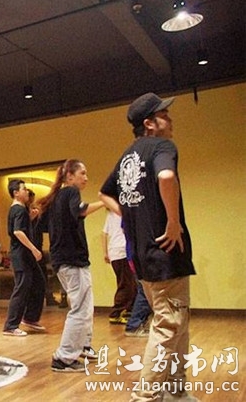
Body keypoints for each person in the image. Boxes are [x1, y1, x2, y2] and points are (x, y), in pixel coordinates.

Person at [100, 92, 196, 401]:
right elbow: (166, 176)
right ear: (149, 123)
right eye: (164, 115)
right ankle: (146, 396)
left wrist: (131, 214)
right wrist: (173, 221)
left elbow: (105, 193)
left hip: (142, 256)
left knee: (177, 321)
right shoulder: (162, 147)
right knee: (169, 325)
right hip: (165, 252)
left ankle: (176, 389)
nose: (171, 120)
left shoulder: (128, 156)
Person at [38, 159, 103, 372]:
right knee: (80, 309)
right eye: (82, 173)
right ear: (69, 176)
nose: (86, 178)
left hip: (64, 260)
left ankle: (82, 345)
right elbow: (80, 210)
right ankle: (64, 358)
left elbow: (43, 225)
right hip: (71, 260)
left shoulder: (57, 197)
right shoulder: (71, 192)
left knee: (85, 306)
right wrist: (105, 202)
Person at [1, 179, 45, 337]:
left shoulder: (19, 210)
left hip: (25, 256)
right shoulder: (19, 210)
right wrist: (34, 249)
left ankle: (30, 318)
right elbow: (18, 232)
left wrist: (30, 218)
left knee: (39, 282)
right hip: (21, 256)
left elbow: (20, 229)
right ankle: (10, 325)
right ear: (16, 193)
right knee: (21, 288)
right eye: (24, 189)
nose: (26, 191)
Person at [101, 209, 137, 324]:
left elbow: (104, 233)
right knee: (126, 284)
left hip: (115, 253)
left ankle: (128, 310)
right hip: (122, 252)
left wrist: (105, 253)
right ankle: (116, 313)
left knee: (129, 284)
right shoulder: (125, 213)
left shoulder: (111, 214)